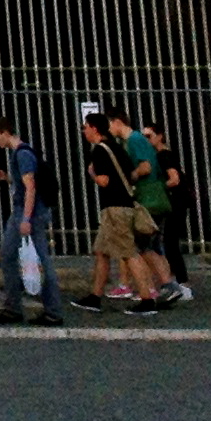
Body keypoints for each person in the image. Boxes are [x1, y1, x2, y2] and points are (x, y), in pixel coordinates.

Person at [78, 108, 170, 310]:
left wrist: (92, 173)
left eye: (85, 128)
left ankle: (147, 299)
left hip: (114, 208)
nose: (83, 132)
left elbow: (104, 181)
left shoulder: (100, 150)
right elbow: (129, 174)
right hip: (124, 204)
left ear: (94, 129)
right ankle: (95, 296)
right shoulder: (117, 147)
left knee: (129, 253)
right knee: (102, 251)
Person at [0, 112, 60, 327]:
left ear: (6, 133)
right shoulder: (21, 153)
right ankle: (14, 306)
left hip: (27, 212)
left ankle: (49, 310)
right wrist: (7, 178)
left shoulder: (22, 154)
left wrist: (26, 218)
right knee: (7, 255)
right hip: (25, 211)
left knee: (40, 259)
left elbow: (30, 187)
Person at [110, 109, 185, 305]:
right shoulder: (132, 141)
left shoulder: (134, 140)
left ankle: (164, 286)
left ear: (117, 122)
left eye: (110, 124)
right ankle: (165, 286)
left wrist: (130, 177)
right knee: (149, 245)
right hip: (149, 198)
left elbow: (146, 167)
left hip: (147, 198)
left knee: (143, 245)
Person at [144, 121, 195, 295]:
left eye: (149, 136)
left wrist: (158, 188)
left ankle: (182, 284)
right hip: (176, 201)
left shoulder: (163, 155)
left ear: (160, 136)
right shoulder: (163, 154)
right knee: (166, 242)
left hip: (176, 201)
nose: (146, 140)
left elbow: (174, 178)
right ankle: (174, 281)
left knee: (170, 243)